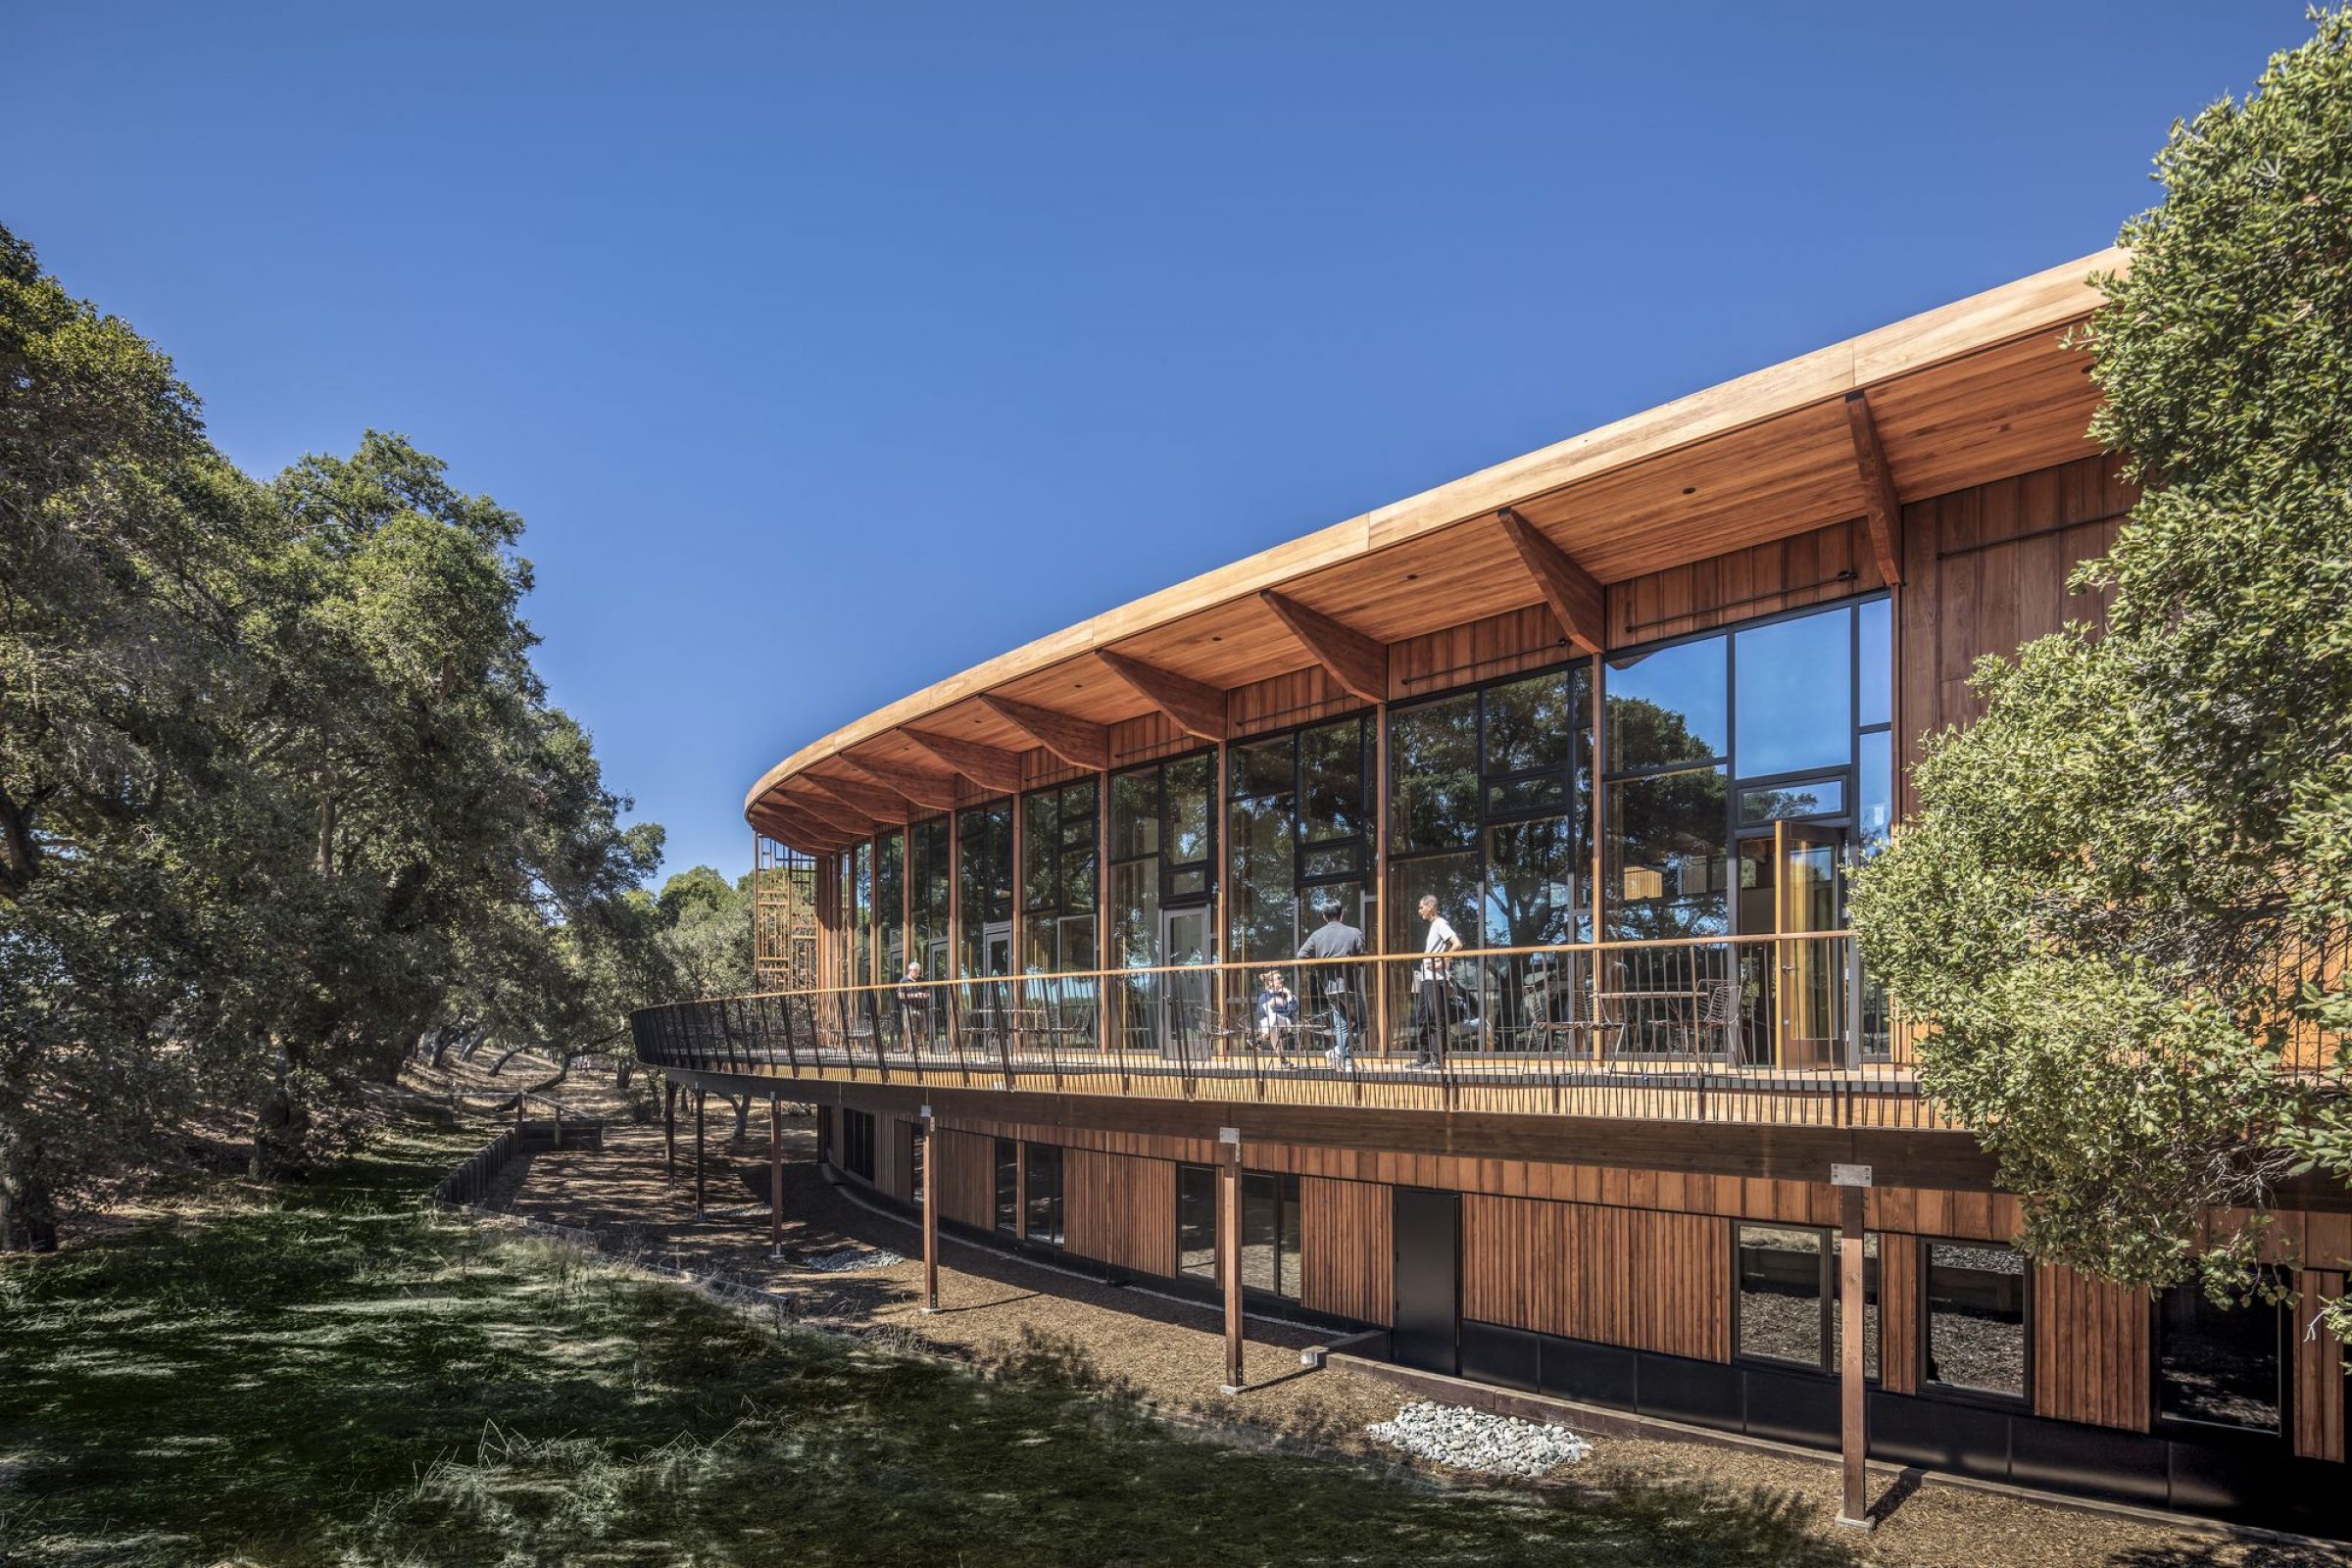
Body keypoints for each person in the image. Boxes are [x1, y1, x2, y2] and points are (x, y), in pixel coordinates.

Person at [1296, 904, 1366, 1070]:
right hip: (1350, 986)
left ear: (1324, 916)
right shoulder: (1354, 932)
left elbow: (1301, 955)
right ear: (1342, 914)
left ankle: (1344, 1058)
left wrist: (1320, 963)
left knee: (1342, 1026)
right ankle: (1340, 1054)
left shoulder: (1317, 935)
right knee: (1362, 1024)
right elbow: (1362, 959)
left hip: (1330, 988)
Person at [1411, 894, 1462, 1068]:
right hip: (1426, 978)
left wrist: (1444, 961)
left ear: (1431, 906)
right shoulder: (1434, 926)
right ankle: (1423, 1057)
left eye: (1421, 907)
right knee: (1423, 1017)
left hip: (1436, 979)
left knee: (1436, 1019)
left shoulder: (1441, 923)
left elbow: (1457, 944)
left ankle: (1439, 1060)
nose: (1420, 911)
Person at [1253, 969, 1298, 1054]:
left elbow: (1292, 1011)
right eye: (1279, 978)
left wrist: (1289, 994)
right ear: (1270, 983)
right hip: (1268, 1024)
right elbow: (1261, 1015)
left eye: (1282, 978)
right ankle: (1283, 1060)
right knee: (1273, 1028)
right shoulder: (1264, 997)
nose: (1282, 980)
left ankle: (1259, 1039)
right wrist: (1271, 1003)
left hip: (1285, 1023)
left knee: (1273, 1018)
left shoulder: (1287, 994)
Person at [896, 959, 931, 1052]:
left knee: (924, 1029)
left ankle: (914, 1044)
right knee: (911, 1029)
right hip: (909, 1008)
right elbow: (900, 995)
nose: (916, 973)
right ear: (910, 970)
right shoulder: (903, 981)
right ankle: (913, 1050)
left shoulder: (922, 980)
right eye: (915, 971)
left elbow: (928, 992)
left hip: (921, 1008)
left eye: (918, 971)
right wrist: (915, 995)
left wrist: (925, 995)